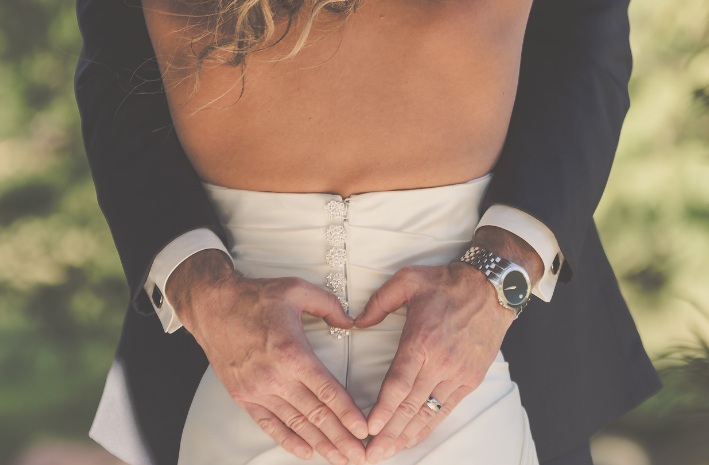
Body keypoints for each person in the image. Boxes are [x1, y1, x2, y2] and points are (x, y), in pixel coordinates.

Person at [74, 0, 661, 464]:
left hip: (503, 356)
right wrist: (199, 289)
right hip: (228, 368)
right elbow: (115, 72)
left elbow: (587, 49)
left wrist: (499, 278)